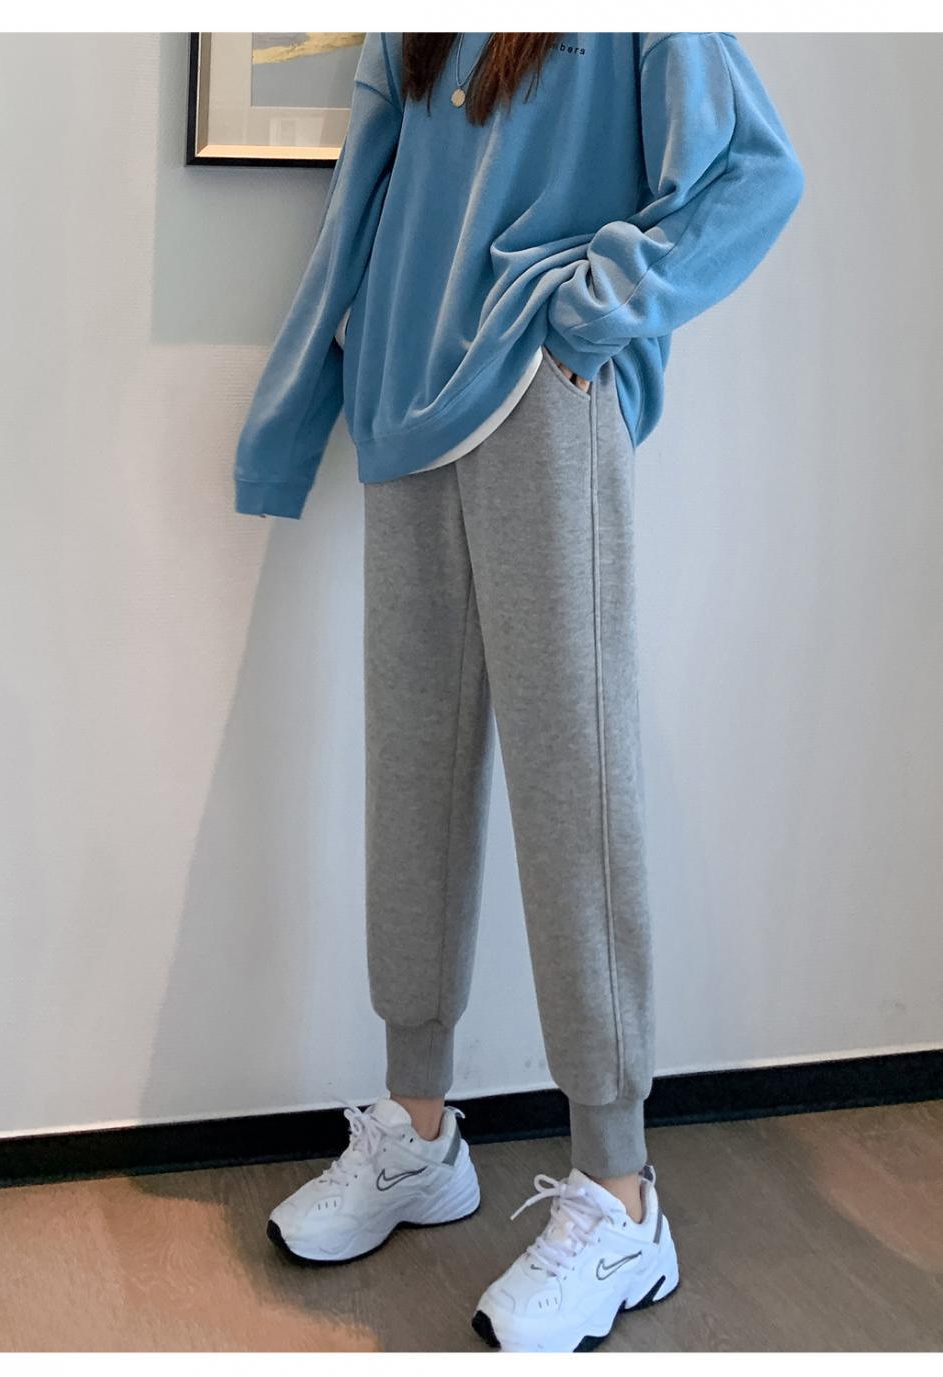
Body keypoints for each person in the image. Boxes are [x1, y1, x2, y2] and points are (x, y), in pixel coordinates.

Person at [235, 31, 804, 1354]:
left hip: (544, 402)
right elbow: (357, 212)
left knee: (572, 791)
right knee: (411, 782)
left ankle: (621, 1191)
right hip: (401, 409)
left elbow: (757, 175)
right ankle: (418, 1129)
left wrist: (590, 308)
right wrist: (297, 415)